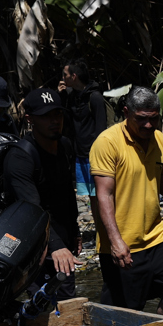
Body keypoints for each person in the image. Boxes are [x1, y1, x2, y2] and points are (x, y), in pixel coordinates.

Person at [90, 86, 163, 314]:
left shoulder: (161, 141)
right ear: (126, 112)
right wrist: (115, 241)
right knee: (126, 310)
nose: (148, 125)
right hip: (123, 242)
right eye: (141, 119)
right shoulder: (107, 143)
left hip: (156, 236)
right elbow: (104, 195)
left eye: (154, 119)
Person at [3, 87, 80, 298]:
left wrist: (74, 232)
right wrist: (55, 246)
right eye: (46, 116)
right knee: (40, 303)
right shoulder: (21, 157)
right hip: (33, 241)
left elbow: (66, 193)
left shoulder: (64, 145)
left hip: (60, 235)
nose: (54, 120)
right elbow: (31, 208)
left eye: (57, 114)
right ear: (30, 119)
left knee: (66, 299)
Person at [62, 59, 107, 224]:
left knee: (102, 194)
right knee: (92, 196)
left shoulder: (94, 97)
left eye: (65, 75)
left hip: (95, 154)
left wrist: (100, 154)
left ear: (74, 76)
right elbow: (66, 123)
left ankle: (108, 229)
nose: (63, 79)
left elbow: (101, 128)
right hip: (81, 154)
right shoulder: (72, 97)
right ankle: (99, 231)